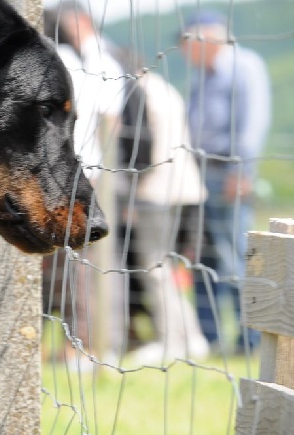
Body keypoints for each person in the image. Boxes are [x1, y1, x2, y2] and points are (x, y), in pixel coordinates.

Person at [179, 10, 271, 353]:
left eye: (189, 43)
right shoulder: (201, 74)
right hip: (198, 174)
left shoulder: (245, 66)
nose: (185, 52)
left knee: (235, 256)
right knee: (203, 257)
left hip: (227, 173)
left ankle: (249, 340)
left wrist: (242, 171)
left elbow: (253, 123)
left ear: (209, 37)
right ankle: (210, 336)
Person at [42, 1, 124, 364]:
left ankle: (80, 344)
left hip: (62, 172)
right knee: (76, 264)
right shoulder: (101, 62)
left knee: (70, 265)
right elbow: (115, 123)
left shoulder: (60, 62)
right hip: (87, 170)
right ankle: (80, 342)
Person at [114, 64, 210, 363]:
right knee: (167, 265)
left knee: (154, 268)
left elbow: (140, 144)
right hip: (185, 185)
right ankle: (192, 338)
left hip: (155, 188)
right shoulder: (165, 88)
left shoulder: (135, 89)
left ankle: (171, 340)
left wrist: (132, 187)